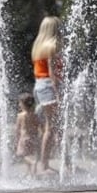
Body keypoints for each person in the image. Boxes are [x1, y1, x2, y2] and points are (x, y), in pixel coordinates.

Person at [31, 15, 63, 173]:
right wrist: (58, 92)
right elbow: (52, 72)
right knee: (52, 128)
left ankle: (58, 163)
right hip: (49, 86)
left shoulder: (39, 46)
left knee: (52, 128)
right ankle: (44, 165)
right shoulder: (53, 45)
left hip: (39, 86)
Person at [15, 93, 41, 174]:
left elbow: (17, 129)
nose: (19, 104)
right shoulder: (35, 115)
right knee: (30, 154)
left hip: (24, 139)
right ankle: (31, 173)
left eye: (20, 103)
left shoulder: (20, 116)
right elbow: (39, 126)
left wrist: (16, 139)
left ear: (23, 104)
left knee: (22, 155)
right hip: (33, 138)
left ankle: (33, 162)